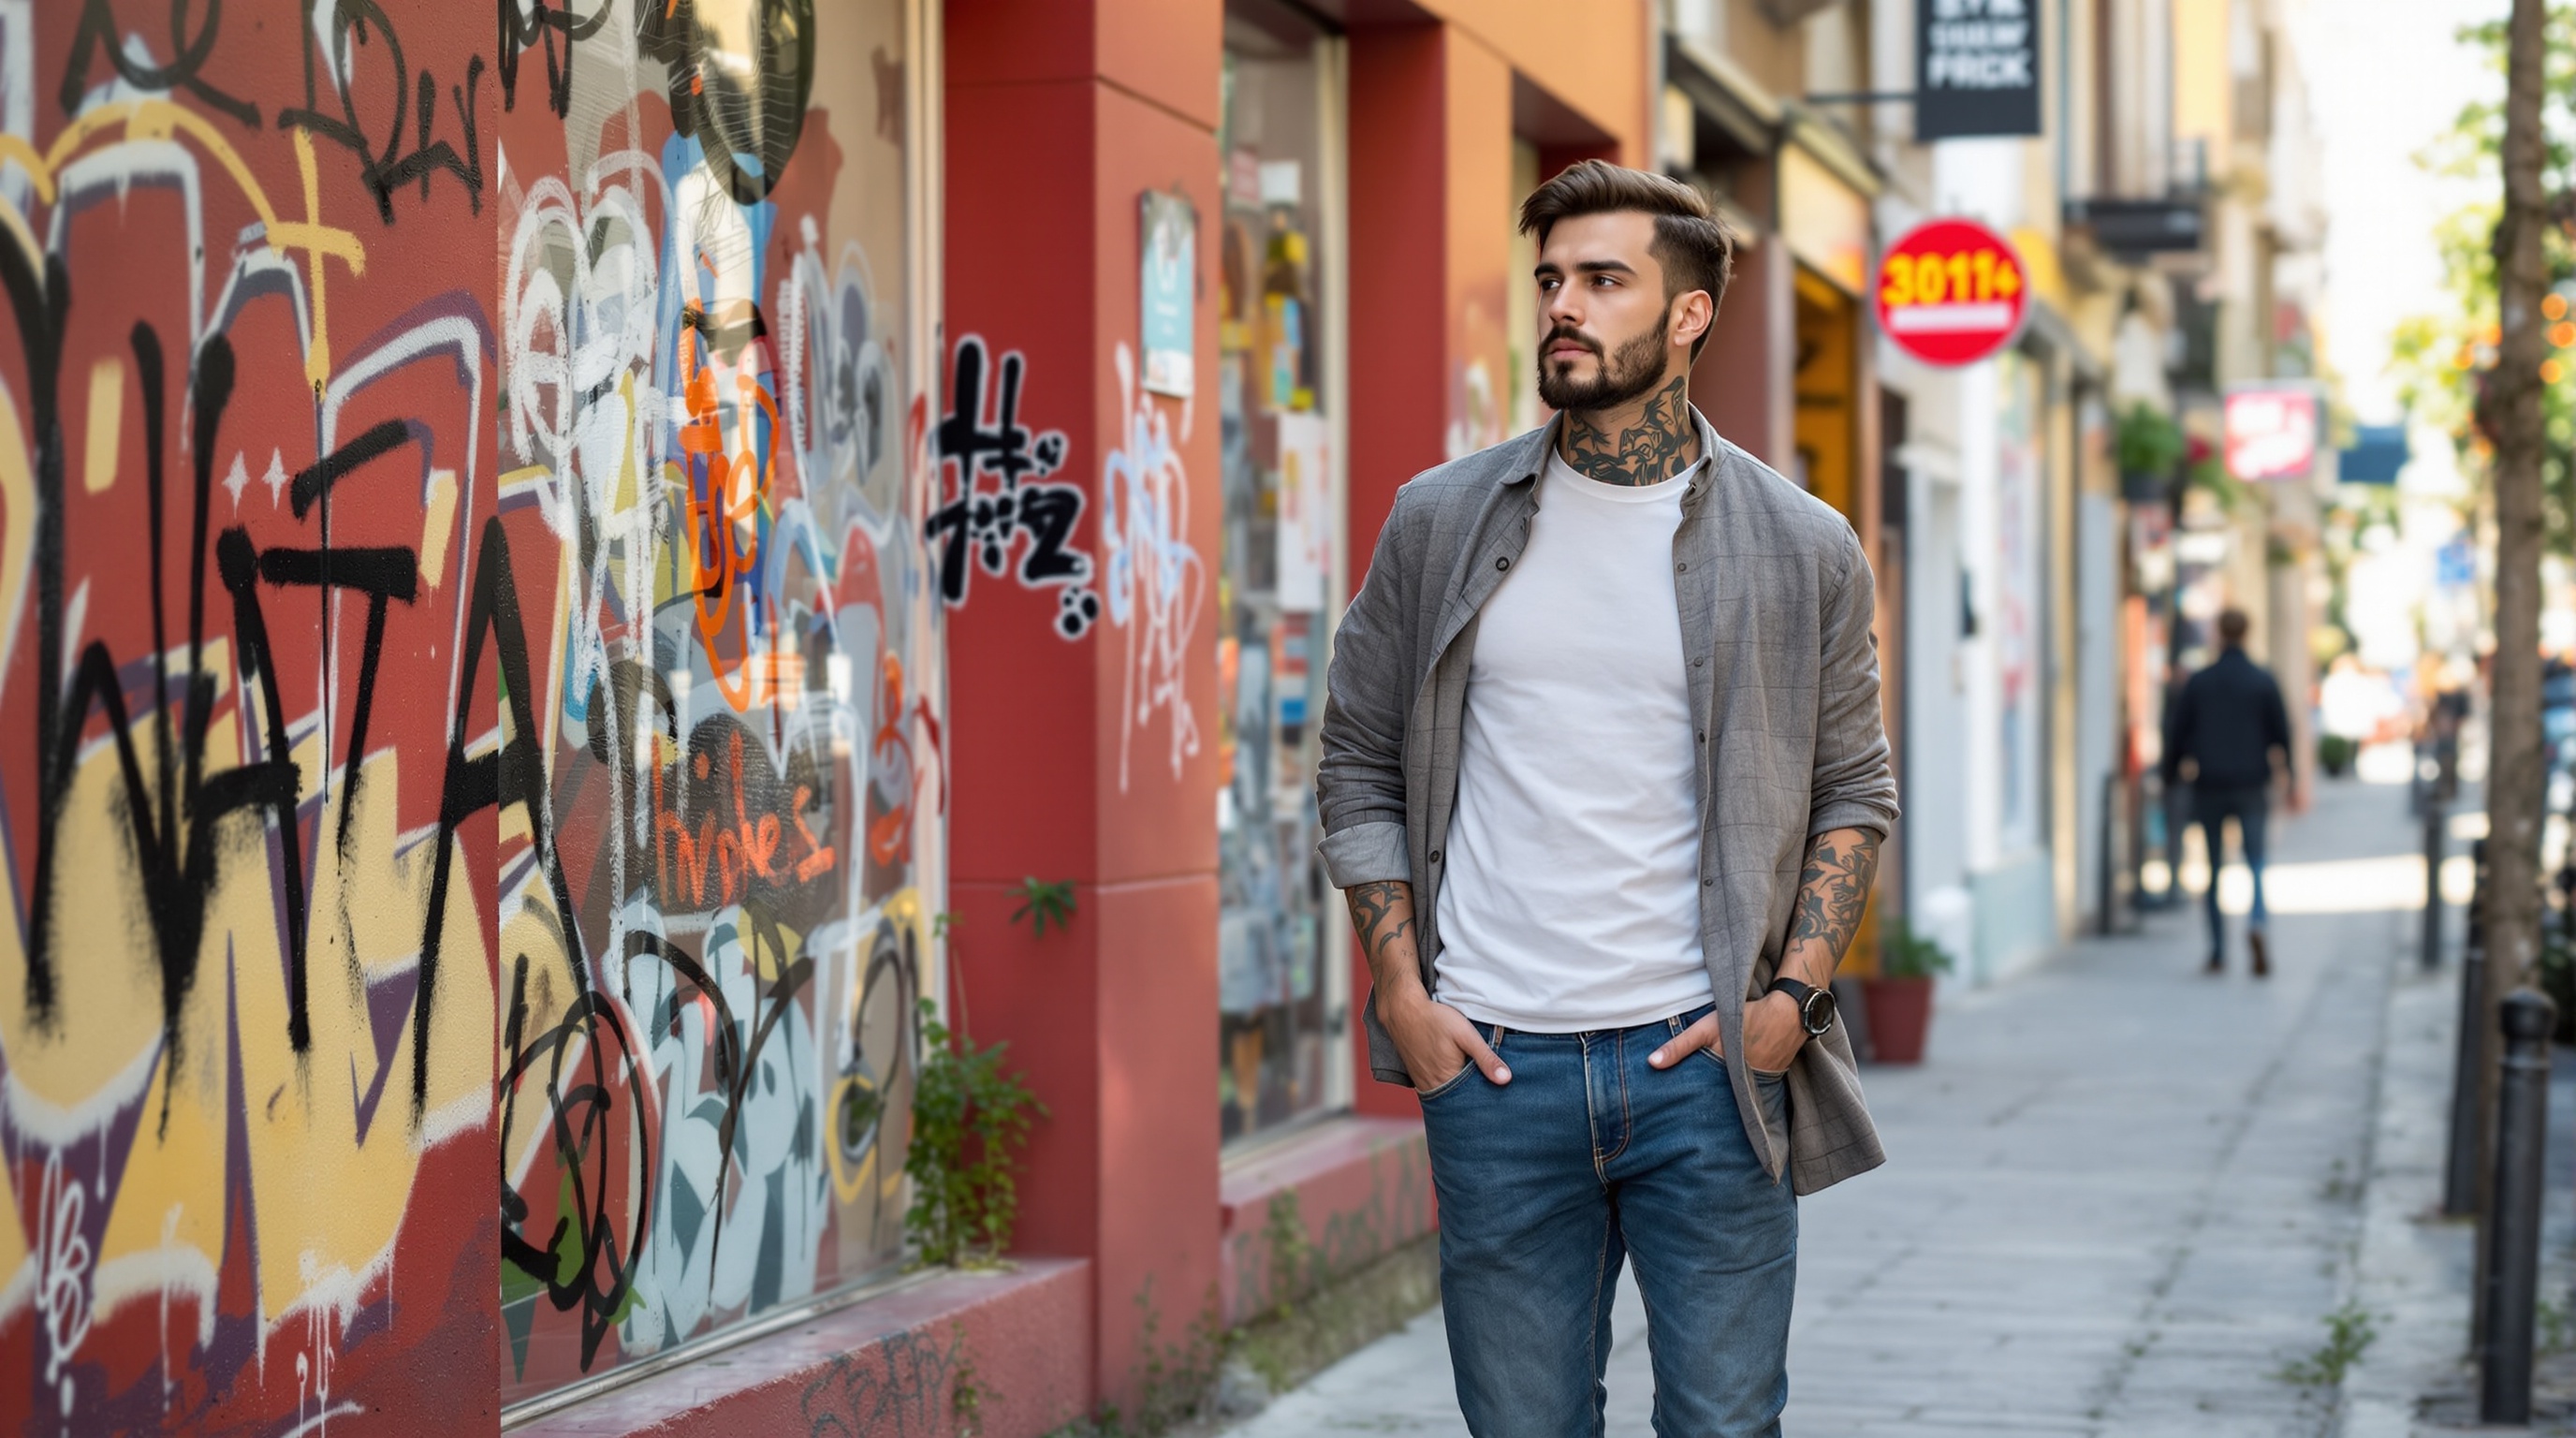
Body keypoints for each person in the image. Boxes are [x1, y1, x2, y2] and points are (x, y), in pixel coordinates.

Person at [1315, 160, 1899, 1438]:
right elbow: (1356, 757)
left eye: (1601, 280)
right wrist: (1405, 993)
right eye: (1549, 281)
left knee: (1723, 1425)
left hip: (1707, 1074)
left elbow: (1856, 789)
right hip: (1495, 1071)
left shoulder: (1802, 547)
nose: (1562, 308)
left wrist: (1788, 1002)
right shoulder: (1440, 521)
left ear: (1688, 315)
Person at [2163, 607, 2295, 976]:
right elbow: (2281, 735)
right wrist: (2291, 778)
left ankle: (2218, 950)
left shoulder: (2200, 681)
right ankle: (2257, 923)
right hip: (2252, 782)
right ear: (2248, 633)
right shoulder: (2262, 679)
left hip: (2210, 784)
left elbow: (2178, 734)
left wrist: (2170, 775)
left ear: (2218, 634)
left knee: (2215, 868)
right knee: (2255, 863)